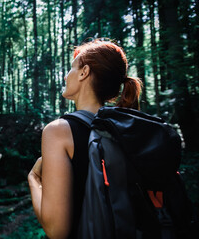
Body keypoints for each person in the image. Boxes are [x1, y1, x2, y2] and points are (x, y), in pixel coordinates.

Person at [27, 38, 142, 239]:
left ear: (84, 72)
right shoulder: (129, 129)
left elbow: (56, 232)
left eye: (71, 68)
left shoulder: (58, 131)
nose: (65, 77)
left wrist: (34, 180)